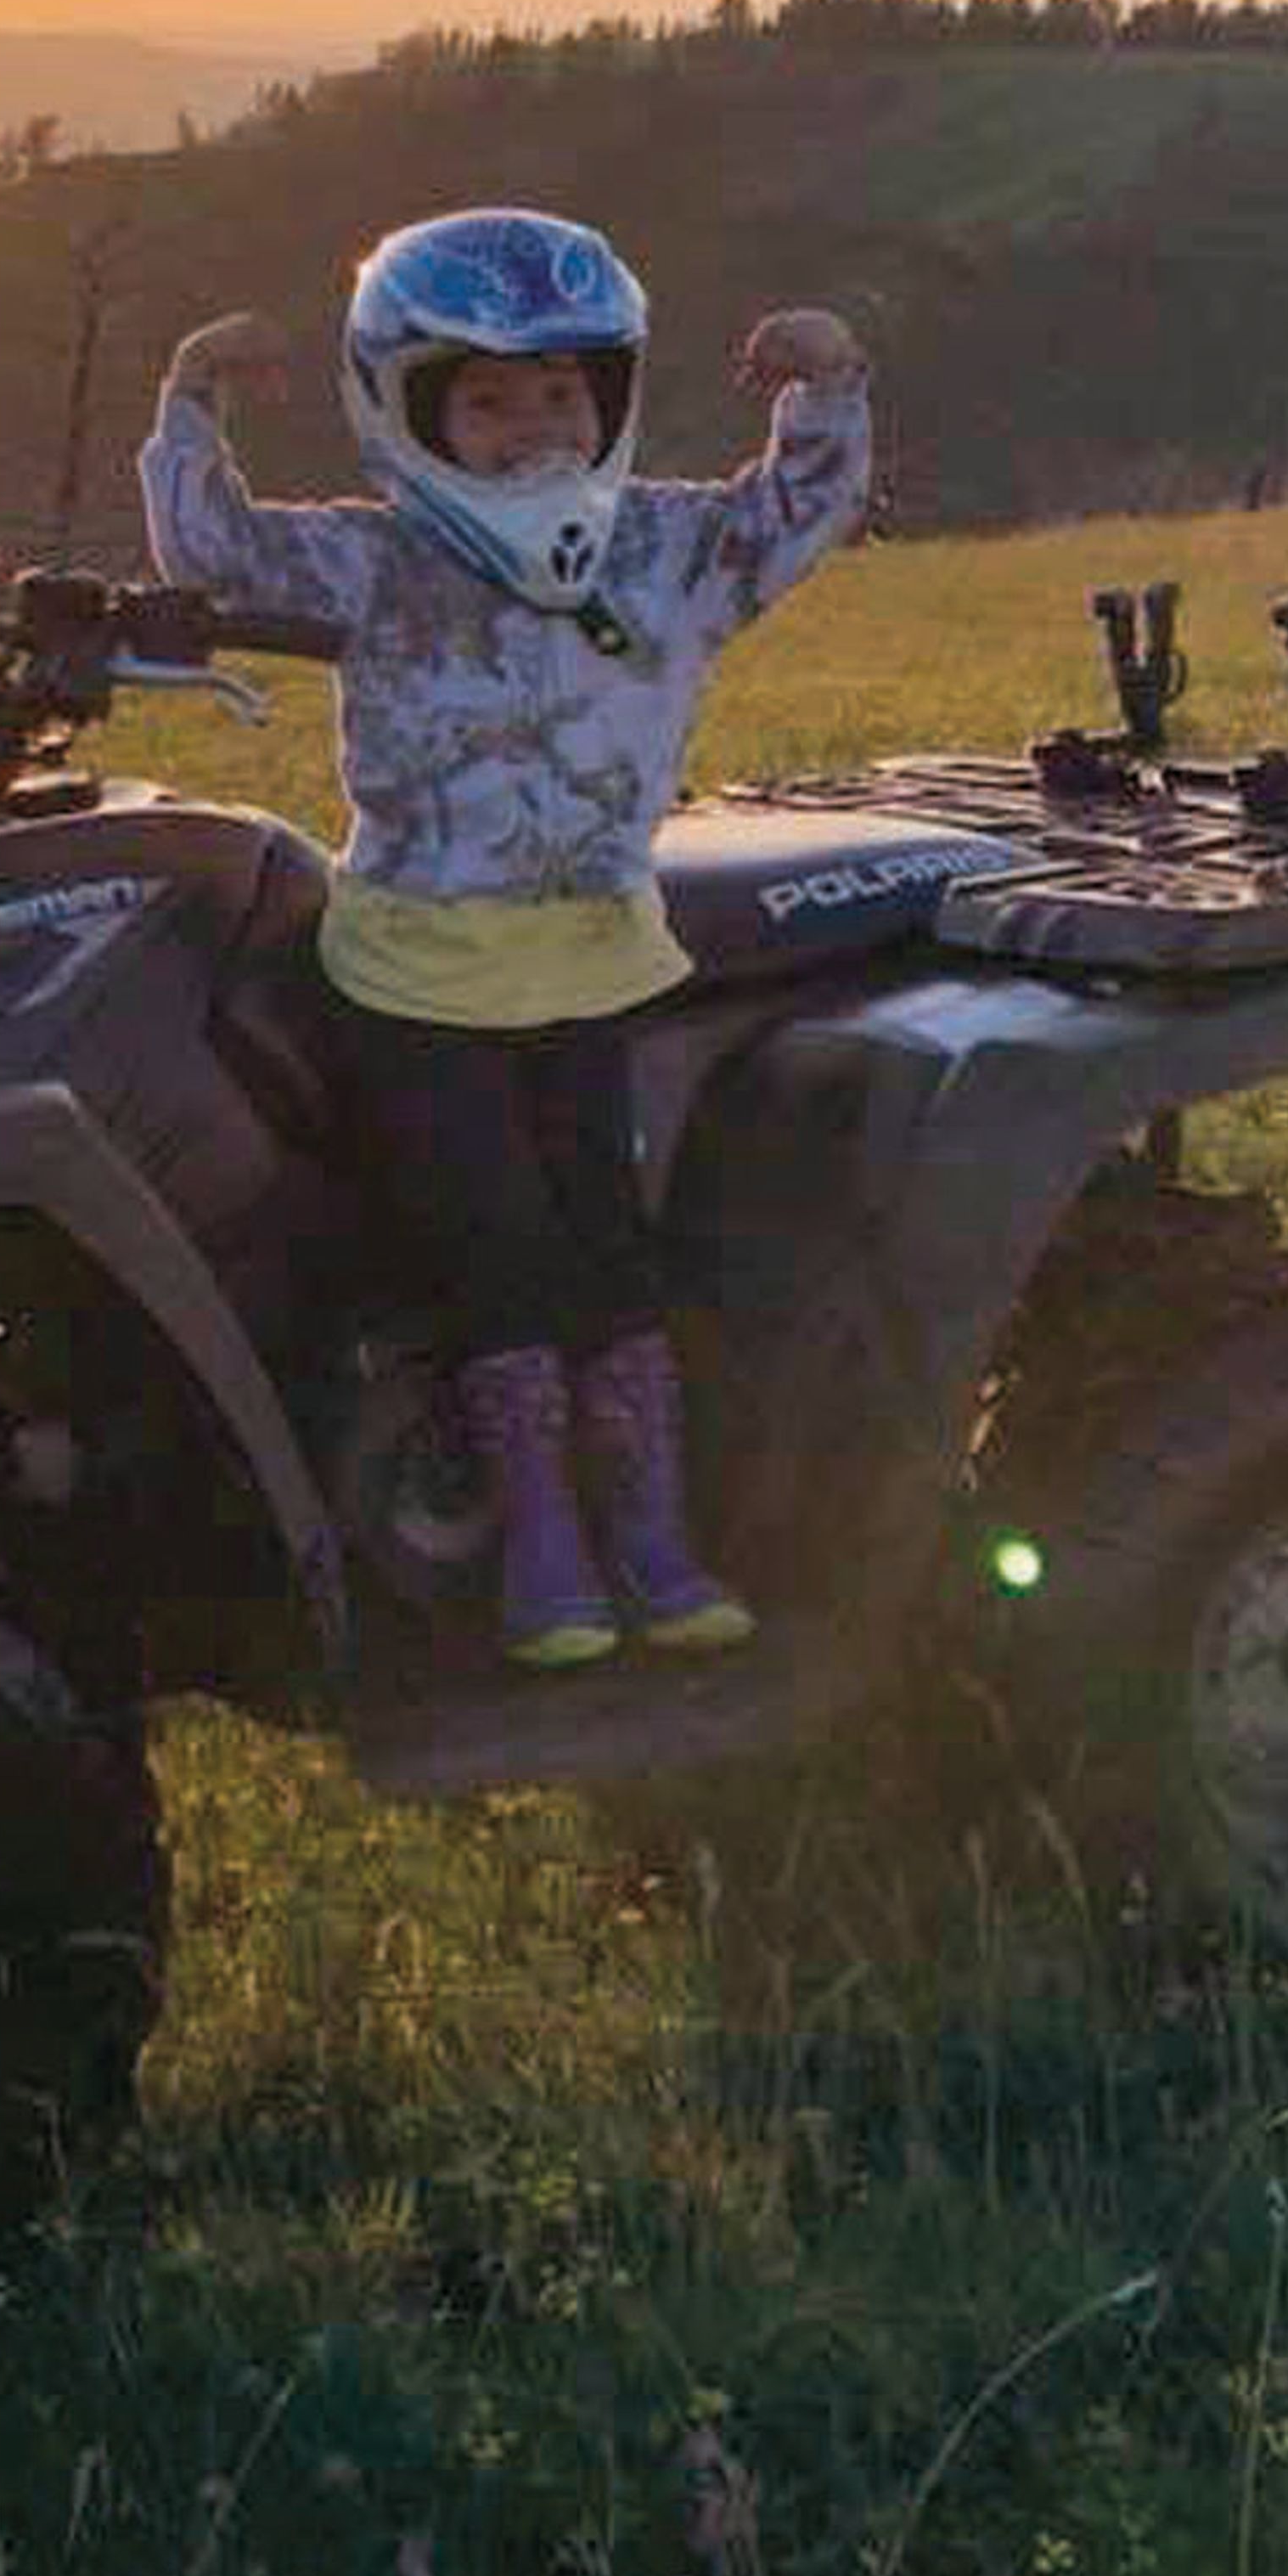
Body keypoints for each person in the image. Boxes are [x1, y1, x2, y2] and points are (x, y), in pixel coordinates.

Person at [139, 208, 872, 1671]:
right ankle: (542, 1546)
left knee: (612, 1246)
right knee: (499, 1252)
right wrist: (188, 405)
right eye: (483, 397)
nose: (529, 424)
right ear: (409, 408)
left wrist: (830, 385)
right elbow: (218, 556)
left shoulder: (668, 544)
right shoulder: (379, 561)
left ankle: (654, 1541)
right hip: (418, 976)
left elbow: (797, 515)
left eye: (560, 391)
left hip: (594, 961)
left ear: (608, 396)